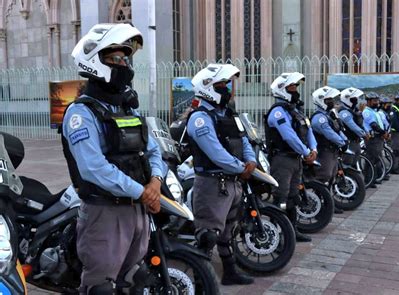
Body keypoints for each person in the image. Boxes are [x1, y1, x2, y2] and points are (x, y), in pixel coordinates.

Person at [62, 23, 166, 294]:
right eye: (114, 58)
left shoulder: (125, 109)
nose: (123, 64)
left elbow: (153, 150)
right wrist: (143, 192)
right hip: (104, 212)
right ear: (94, 62)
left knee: (133, 280)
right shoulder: (81, 114)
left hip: (137, 209)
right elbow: (93, 168)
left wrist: (155, 182)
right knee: (100, 287)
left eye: (125, 58)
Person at [186, 63, 256, 285]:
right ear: (207, 87)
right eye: (220, 85)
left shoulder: (229, 114)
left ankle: (230, 272)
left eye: (226, 84)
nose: (226, 89)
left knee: (227, 233)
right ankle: (201, 282)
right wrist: (241, 168)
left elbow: (244, 139)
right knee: (207, 236)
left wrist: (251, 161)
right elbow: (215, 152)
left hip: (233, 183)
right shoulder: (200, 118)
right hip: (212, 183)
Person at [264, 72, 317, 242]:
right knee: (281, 196)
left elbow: (308, 130)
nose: (295, 90)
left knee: (294, 195)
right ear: (282, 90)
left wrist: (313, 148)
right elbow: (288, 136)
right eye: (291, 87)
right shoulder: (278, 113)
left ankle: (293, 231)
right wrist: (306, 152)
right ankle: (276, 235)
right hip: (282, 159)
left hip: (296, 159)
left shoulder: (296, 111)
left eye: (295, 87)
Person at [311, 86, 348, 214]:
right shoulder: (319, 118)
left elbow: (337, 130)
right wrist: (342, 142)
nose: (332, 102)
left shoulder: (329, 115)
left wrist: (344, 141)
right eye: (328, 100)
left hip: (332, 151)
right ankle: (320, 205)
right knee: (323, 178)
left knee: (331, 178)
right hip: (324, 152)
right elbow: (329, 133)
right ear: (321, 100)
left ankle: (329, 204)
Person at [362, 92, 388, 188]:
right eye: (374, 101)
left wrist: (384, 132)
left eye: (377, 100)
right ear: (368, 101)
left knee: (376, 158)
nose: (377, 102)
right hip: (372, 139)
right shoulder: (367, 112)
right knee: (371, 159)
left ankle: (375, 177)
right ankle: (368, 180)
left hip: (378, 138)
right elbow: (373, 125)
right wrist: (383, 133)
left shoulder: (374, 111)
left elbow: (380, 123)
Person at [339, 87, 369, 164]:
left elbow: (361, 123)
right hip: (349, 142)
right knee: (348, 163)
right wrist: (364, 134)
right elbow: (353, 126)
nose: (356, 100)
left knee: (355, 163)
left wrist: (367, 131)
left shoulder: (354, 110)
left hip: (356, 141)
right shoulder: (344, 112)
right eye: (353, 98)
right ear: (347, 99)